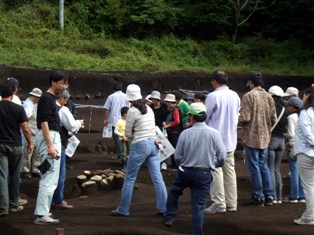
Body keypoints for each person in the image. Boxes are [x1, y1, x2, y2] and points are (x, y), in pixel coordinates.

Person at [163, 103, 226, 235]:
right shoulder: (214, 134)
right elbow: (222, 158)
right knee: (198, 206)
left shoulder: (185, 133)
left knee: (174, 192)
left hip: (185, 171)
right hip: (204, 173)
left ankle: (169, 217)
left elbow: (177, 156)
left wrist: (183, 164)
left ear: (191, 117)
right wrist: (212, 164)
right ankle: (196, 232)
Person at [111, 84, 167, 217]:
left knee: (129, 178)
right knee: (158, 178)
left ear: (129, 98)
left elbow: (128, 134)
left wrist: (129, 135)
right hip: (154, 143)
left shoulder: (132, 111)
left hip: (140, 144)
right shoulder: (149, 108)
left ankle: (123, 209)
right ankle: (163, 208)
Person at [33, 69, 69, 225]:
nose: (64, 87)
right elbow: (44, 122)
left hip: (51, 137)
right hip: (50, 137)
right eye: (62, 83)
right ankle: (42, 213)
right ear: (53, 82)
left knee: (49, 175)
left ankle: (44, 210)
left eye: (66, 84)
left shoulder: (49, 98)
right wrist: (50, 145)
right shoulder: (47, 98)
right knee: (49, 177)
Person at [238, 71, 276, 206]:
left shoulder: (248, 96)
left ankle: (258, 196)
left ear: (250, 82)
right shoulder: (269, 96)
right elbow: (274, 118)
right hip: (265, 137)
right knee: (263, 166)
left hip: (251, 137)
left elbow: (245, 117)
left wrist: (236, 120)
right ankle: (270, 196)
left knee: (254, 167)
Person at [204, 71, 240, 214]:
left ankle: (219, 203)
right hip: (230, 138)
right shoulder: (235, 95)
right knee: (229, 171)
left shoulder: (213, 96)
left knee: (216, 170)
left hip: (215, 139)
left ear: (215, 81)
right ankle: (232, 203)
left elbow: (205, 116)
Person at [0, 83, 32, 217]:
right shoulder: (18, 109)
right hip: (16, 145)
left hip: (1, 145)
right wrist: (30, 143)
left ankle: (3, 207)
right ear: (12, 94)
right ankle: (13, 205)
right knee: (15, 175)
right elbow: (25, 128)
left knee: (2, 176)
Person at [52, 90, 83, 209]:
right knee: (60, 173)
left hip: (49, 141)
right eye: (66, 100)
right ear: (62, 99)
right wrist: (79, 123)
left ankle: (52, 199)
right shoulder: (63, 109)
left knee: (50, 173)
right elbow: (72, 126)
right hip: (59, 143)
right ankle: (58, 200)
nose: (66, 102)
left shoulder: (48, 106)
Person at [293, 87, 314, 225]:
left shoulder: (306, 112)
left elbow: (307, 135)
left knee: (309, 186)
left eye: (304, 95)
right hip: (308, 152)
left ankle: (309, 216)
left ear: (308, 96)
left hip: (306, 153)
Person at [267, 85, 288, 204]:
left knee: (270, 169)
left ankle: (273, 196)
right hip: (282, 141)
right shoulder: (286, 110)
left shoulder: (271, 109)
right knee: (277, 169)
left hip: (272, 140)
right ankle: (279, 197)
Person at [283, 97, 305, 203]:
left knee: (294, 171)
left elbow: (291, 134)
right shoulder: (304, 116)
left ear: (293, 107)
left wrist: (283, 134)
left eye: (289, 105)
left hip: (292, 145)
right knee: (301, 171)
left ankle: (294, 196)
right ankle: (301, 196)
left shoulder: (291, 117)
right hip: (303, 146)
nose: (287, 107)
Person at [103, 79, 130, 160]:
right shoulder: (126, 96)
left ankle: (120, 154)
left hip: (114, 120)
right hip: (124, 120)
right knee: (124, 137)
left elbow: (107, 109)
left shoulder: (111, 97)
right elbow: (128, 108)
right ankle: (123, 154)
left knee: (117, 138)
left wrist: (105, 119)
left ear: (113, 88)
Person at [21, 88, 42, 179]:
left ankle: (35, 169)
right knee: (28, 151)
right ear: (34, 96)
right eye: (37, 97)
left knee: (36, 151)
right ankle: (26, 170)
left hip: (36, 130)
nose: (38, 99)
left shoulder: (32, 104)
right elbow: (27, 117)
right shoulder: (28, 104)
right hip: (31, 130)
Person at [149, 90, 168, 170]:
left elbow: (167, 116)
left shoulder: (164, 106)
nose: (153, 101)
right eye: (152, 99)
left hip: (161, 128)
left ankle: (164, 162)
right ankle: (155, 162)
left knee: (162, 145)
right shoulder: (150, 107)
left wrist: (165, 122)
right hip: (152, 128)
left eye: (155, 99)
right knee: (153, 145)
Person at [163, 94, 181, 170]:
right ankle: (174, 164)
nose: (167, 103)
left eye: (167, 101)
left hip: (174, 131)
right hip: (171, 131)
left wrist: (168, 125)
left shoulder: (175, 109)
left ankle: (176, 165)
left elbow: (177, 121)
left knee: (174, 148)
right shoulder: (171, 109)